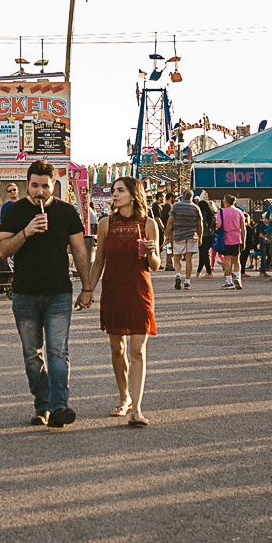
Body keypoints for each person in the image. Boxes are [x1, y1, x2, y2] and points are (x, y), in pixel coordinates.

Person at [0, 160, 93, 428]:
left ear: (54, 185)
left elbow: (79, 250)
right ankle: (43, 406)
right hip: (25, 293)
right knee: (31, 354)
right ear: (28, 184)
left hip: (59, 292)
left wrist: (87, 287)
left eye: (45, 186)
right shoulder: (14, 211)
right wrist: (26, 232)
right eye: (35, 186)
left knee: (58, 352)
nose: (40, 191)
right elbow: (2, 249)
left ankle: (60, 406)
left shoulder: (67, 211)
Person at [87, 176, 160, 426]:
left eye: (119, 190)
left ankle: (137, 409)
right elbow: (99, 262)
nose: (114, 195)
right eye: (113, 191)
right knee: (117, 349)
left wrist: (151, 252)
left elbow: (156, 265)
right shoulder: (106, 223)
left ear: (133, 194)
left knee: (138, 349)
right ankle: (124, 396)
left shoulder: (149, 224)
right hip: (114, 289)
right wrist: (88, 289)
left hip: (139, 290)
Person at [166, 189, 202, 290]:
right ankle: (187, 281)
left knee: (177, 258)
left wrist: (168, 235)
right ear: (192, 197)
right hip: (191, 235)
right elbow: (200, 225)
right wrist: (200, 237)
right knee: (189, 259)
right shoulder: (196, 207)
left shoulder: (176, 206)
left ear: (183, 196)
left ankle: (178, 275)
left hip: (178, 235)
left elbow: (170, 221)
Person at [217, 195, 246, 289]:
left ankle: (229, 281)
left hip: (225, 239)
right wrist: (243, 240)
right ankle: (238, 278)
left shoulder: (221, 212)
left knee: (227, 260)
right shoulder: (239, 212)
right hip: (236, 238)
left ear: (226, 202)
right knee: (236, 260)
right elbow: (243, 228)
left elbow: (218, 225)